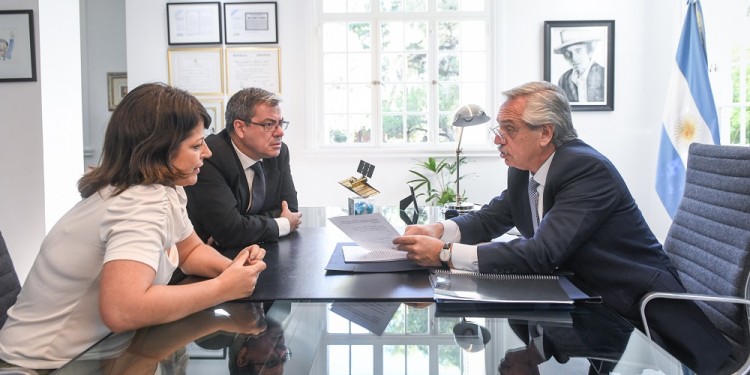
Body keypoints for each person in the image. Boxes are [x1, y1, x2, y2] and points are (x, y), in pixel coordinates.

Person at [393, 81, 731, 374]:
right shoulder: (525, 168)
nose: (498, 140)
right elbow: (491, 217)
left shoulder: (585, 169)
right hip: (578, 303)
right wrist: (439, 230)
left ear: (545, 133)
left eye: (509, 129)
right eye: (498, 129)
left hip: (637, 314)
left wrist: (446, 255)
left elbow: (541, 254)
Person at [0, 82, 267, 371]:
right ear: (159, 150)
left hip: (100, 352)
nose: (208, 152)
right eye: (195, 145)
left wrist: (232, 270)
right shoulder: (138, 204)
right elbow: (123, 310)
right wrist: (222, 289)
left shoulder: (164, 189)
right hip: (43, 365)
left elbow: (190, 252)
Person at [184, 87, 301, 257]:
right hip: (209, 258)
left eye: (280, 123)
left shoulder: (278, 152)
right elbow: (229, 230)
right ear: (240, 128)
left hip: (260, 253)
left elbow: (290, 208)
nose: (280, 133)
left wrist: (241, 227)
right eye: (269, 124)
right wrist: (282, 224)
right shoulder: (210, 157)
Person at [554, 28, 605, 103]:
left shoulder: (603, 74)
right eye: (568, 53)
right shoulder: (563, 80)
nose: (574, 58)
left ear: (590, 50)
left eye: (578, 51)